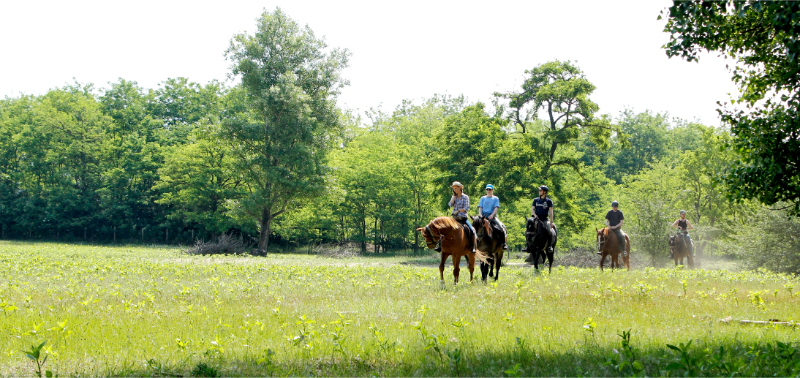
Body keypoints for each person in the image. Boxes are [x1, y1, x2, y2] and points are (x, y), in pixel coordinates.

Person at [446, 181, 476, 253]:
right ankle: (441, 246)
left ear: (460, 188)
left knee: (471, 230)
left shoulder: (465, 197)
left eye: (456, 188)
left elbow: (466, 208)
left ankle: (472, 246)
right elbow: (450, 204)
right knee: (444, 229)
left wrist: (459, 211)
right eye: (453, 189)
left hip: (462, 218)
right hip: (454, 218)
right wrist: (453, 197)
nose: (454, 190)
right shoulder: (454, 197)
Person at [477, 184, 508, 250]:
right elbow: (480, 207)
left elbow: (496, 207)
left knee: (501, 228)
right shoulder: (483, 198)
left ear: (492, 190)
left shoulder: (495, 198)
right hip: (483, 217)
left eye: (490, 189)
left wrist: (492, 215)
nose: (488, 191)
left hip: (492, 217)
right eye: (487, 189)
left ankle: (503, 244)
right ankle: (474, 244)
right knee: (476, 227)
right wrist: (480, 215)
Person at [531, 185, 555, 250]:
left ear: (544, 192)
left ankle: (549, 246)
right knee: (529, 229)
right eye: (539, 190)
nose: (539, 192)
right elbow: (532, 209)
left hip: (544, 219)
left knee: (549, 231)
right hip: (536, 219)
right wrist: (535, 215)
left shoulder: (549, 201)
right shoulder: (536, 200)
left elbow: (551, 212)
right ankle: (528, 245)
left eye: (540, 190)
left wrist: (551, 222)